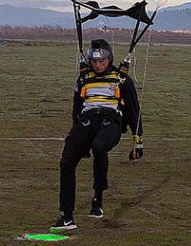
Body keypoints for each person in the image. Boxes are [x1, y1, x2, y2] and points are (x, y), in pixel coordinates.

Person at [51, 39, 144, 232]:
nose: (98, 65)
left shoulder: (122, 79)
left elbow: (134, 111)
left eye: (102, 61)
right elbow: (76, 108)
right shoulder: (83, 80)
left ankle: (98, 198)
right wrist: (75, 135)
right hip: (87, 121)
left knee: (99, 146)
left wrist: (138, 140)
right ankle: (67, 216)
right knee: (66, 162)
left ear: (109, 59)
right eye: (94, 61)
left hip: (111, 121)